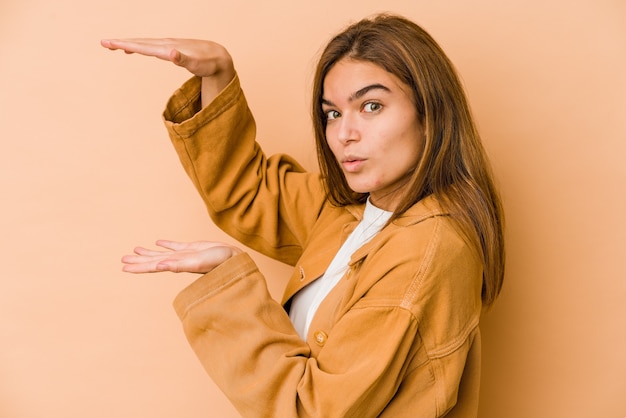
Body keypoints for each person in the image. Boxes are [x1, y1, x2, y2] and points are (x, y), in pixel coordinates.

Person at [103, 13, 504, 417]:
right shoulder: (353, 208)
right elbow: (248, 191)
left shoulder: (426, 254)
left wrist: (231, 284)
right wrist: (218, 73)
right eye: (332, 113)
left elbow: (312, 411)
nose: (345, 133)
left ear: (430, 113)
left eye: (371, 106)